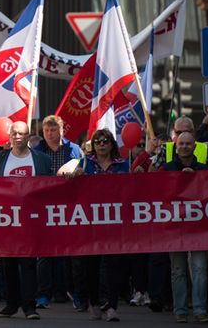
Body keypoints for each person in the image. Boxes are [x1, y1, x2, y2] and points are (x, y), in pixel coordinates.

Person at [0, 120, 52, 320]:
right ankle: (12, 304)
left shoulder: (41, 160)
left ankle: (29, 306)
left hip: (32, 220)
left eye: (21, 134)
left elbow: (51, 186)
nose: (17, 137)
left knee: (28, 263)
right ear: (9, 136)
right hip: (7, 220)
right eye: (14, 133)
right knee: (8, 264)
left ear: (28, 137)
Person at [69, 128, 128, 321]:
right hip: (90, 222)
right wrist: (74, 175)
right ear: (93, 146)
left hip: (114, 222)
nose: (102, 144)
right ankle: (94, 302)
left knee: (113, 265)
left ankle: (111, 306)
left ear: (112, 144)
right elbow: (66, 179)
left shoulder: (122, 165)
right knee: (91, 265)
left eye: (105, 141)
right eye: (98, 142)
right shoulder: (85, 163)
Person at [35, 115, 83, 310]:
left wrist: (78, 173)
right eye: (46, 130)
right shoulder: (37, 150)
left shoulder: (74, 149)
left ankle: (76, 293)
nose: (49, 133)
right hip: (44, 206)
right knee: (44, 253)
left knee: (72, 253)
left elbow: (83, 169)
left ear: (62, 130)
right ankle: (43, 294)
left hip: (70, 206)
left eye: (53, 130)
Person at [163, 131, 208, 323]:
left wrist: (196, 178)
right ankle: (180, 310)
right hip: (175, 229)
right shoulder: (167, 169)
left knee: (200, 269)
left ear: (194, 146)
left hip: (199, 228)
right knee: (178, 271)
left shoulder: (203, 169)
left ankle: (200, 310)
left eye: (188, 144)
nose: (184, 147)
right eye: (181, 144)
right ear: (176, 146)